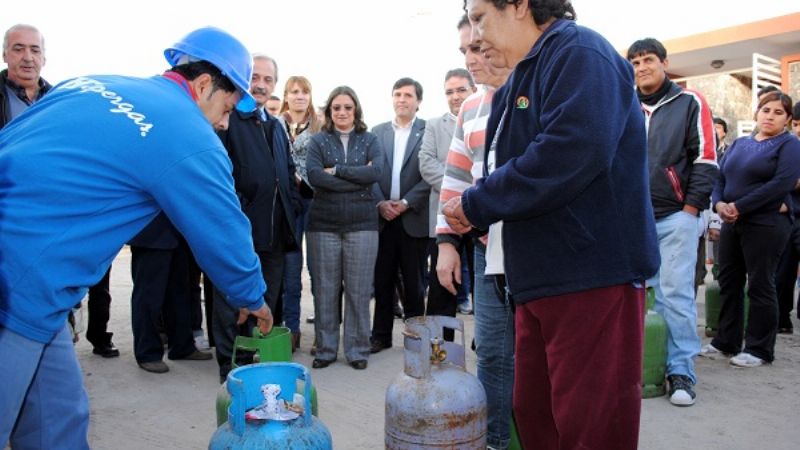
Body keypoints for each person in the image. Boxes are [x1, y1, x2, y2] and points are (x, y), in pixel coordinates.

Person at [0, 27, 273, 448]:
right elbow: (224, 233)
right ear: (203, 86)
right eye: (228, 105)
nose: (225, 121)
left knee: (60, 423)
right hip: (15, 286)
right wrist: (252, 298)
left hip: (43, 296)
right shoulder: (188, 135)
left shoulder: (94, 83)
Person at [446, 2, 659, 448]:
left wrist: (480, 203)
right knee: (537, 418)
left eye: (482, 16)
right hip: (537, 281)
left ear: (520, 4)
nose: (477, 34)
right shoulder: (519, 76)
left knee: (591, 425)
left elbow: (571, 151)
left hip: (591, 276)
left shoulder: (582, 54)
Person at [436, 14, 513, 449]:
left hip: (540, 251)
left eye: (477, 47)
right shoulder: (470, 107)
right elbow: (455, 178)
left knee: (540, 357)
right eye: (464, 51)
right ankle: (496, 442)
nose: (471, 58)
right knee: (494, 355)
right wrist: (447, 243)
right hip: (486, 250)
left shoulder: (538, 91)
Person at [627, 37, 718, 407]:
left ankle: (681, 371)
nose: (641, 67)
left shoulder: (689, 102)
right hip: (629, 221)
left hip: (673, 217)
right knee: (631, 297)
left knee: (674, 296)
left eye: (648, 59)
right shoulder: (623, 104)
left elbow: (706, 158)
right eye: (634, 62)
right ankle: (639, 369)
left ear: (664, 62)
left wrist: (691, 210)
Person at [214, 54, 299, 380]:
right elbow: (220, 176)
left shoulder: (276, 125)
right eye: (255, 77)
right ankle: (231, 365)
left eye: (268, 80)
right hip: (239, 231)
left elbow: (287, 173)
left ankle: (258, 359)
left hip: (276, 233)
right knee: (231, 299)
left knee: (266, 298)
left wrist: (292, 209)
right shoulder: (227, 118)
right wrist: (238, 212)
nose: (261, 85)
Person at [703, 91, 800, 366]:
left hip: (766, 224)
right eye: (765, 110)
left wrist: (740, 206)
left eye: (778, 112)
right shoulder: (739, 143)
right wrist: (719, 203)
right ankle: (726, 341)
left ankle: (759, 349)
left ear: (788, 119)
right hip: (733, 221)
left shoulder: (789, 145)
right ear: (756, 113)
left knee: (760, 284)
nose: (770, 116)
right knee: (729, 282)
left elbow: (781, 183)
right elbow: (719, 177)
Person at [305, 86, 382, 370]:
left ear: (356, 110)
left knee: (359, 291)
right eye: (336, 108)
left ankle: (358, 350)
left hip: (362, 224)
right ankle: (325, 350)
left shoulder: (370, 139)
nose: (342, 113)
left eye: (347, 107)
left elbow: (375, 173)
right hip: (323, 224)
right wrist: (357, 179)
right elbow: (314, 176)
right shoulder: (318, 141)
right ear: (329, 112)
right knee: (325, 289)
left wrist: (336, 171)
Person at [370, 77, 429, 354]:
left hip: (412, 218)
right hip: (383, 219)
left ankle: (416, 338)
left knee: (415, 283)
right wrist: (381, 203)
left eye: (408, 95)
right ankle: (380, 336)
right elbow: (369, 172)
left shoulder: (428, 131)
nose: (402, 99)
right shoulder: (377, 132)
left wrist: (405, 202)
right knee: (382, 281)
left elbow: (429, 176)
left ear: (418, 101)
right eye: (397, 94)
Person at [418, 67, 475, 333]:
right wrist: (461, 188)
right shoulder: (433, 125)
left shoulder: (488, 115)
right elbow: (426, 162)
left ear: (473, 89)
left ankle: (485, 342)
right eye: (450, 92)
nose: (455, 96)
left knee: (482, 283)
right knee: (442, 287)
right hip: (445, 219)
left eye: (461, 89)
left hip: (481, 217)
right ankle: (438, 350)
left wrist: (472, 193)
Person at [129, 214, 212, 373]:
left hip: (179, 235)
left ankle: (182, 346)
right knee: (148, 298)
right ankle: (148, 353)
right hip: (151, 235)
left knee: (180, 294)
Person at [278, 75, 323, 352]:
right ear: (285, 95)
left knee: (318, 270)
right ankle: (291, 330)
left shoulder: (320, 125)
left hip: (316, 202)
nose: (299, 96)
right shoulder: (276, 124)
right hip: (288, 205)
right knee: (290, 271)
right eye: (294, 91)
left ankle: (323, 331)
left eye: (304, 92)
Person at [1, 24, 51, 127]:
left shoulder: (56, 97)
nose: (28, 58)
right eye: (18, 49)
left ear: (44, 59)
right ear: (4, 55)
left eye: (35, 51)